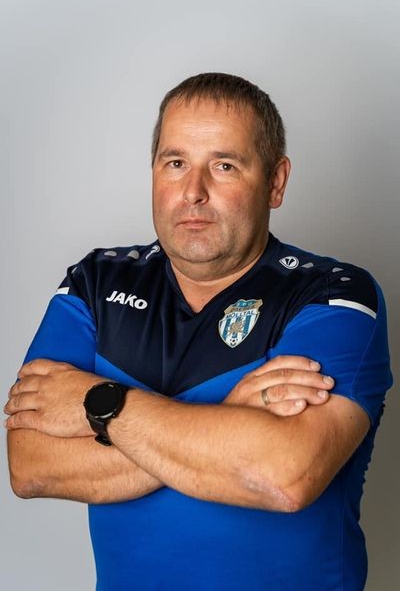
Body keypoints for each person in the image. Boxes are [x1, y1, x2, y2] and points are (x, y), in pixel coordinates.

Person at [5, 73, 392, 590]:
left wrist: (100, 405)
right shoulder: (95, 283)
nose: (193, 192)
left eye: (224, 165)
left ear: (275, 182)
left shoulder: (333, 295)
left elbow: (283, 476)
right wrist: (227, 419)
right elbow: (31, 466)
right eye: (175, 163)